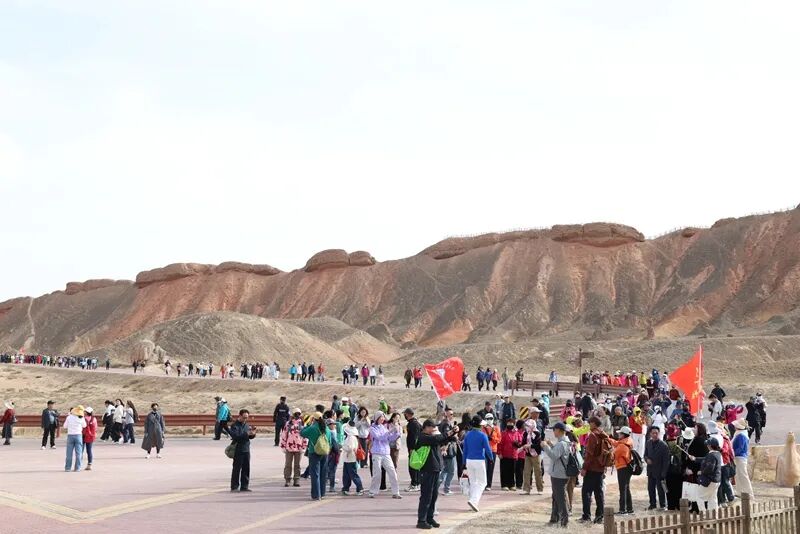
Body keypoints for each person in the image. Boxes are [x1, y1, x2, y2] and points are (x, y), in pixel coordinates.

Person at [415, 418, 459, 529]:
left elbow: (441, 440)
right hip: (427, 470)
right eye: (432, 427)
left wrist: (452, 435)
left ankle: (429, 518)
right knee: (426, 496)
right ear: (426, 427)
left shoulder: (431, 437)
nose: (434, 429)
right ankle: (421, 520)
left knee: (433, 495)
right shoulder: (423, 437)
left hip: (435, 469)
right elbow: (437, 439)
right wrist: (450, 432)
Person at [541, 422, 571, 527]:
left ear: (558, 430)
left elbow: (554, 456)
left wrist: (545, 446)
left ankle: (564, 520)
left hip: (559, 474)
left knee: (560, 498)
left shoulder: (562, 443)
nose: (553, 432)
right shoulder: (564, 442)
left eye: (554, 429)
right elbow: (559, 454)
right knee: (556, 497)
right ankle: (554, 518)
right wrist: (551, 445)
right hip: (560, 473)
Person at [579, 416, 608, 524]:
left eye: (590, 423)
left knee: (586, 492)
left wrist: (584, 468)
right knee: (599, 492)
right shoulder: (602, 434)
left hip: (592, 468)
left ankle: (586, 516)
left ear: (594, 423)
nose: (588, 424)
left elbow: (589, 454)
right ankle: (599, 516)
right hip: (600, 467)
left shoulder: (593, 435)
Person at [367, 411, 402, 498]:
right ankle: (372, 491)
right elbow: (379, 437)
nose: (383, 419)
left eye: (383, 417)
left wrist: (397, 433)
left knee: (392, 472)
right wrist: (390, 431)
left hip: (386, 453)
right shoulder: (372, 428)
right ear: (376, 418)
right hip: (376, 453)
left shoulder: (383, 427)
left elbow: (390, 439)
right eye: (381, 417)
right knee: (377, 473)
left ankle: (396, 492)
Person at [462, 415, 493, 512]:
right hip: (479, 460)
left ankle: (472, 502)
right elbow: (488, 449)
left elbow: (465, 450)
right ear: (480, 425)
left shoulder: (467, 435)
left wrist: (463, 463)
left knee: (473, 482)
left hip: (469, 460)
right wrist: (491, 458)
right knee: (482, 482)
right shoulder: (483, 435)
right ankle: (473, 501)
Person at [300, 412, 333, 501]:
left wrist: (308, 424)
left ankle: (316, 494)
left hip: (314, 452)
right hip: (325, 452)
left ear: (313, 419)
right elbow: (330, 441)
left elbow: (302, 433)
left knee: (315, 474)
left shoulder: (312, 428)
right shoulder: (326, 428)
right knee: (323, 473)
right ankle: (322, 493)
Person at [684, 438, 723, 510]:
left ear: (710, 446)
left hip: (710, 480)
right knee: (712, 498)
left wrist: (701, 472)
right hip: (716, 480)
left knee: (699, 496)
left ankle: (703, 513)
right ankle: (713, 514)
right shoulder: (717, 454)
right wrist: (695, 458)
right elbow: (705, 459)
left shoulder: (711, 455)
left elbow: (710, 468)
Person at [608, 426, 634, 515]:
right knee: (626, 488)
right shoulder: (627, 442)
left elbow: (613, 456)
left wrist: (610, 451)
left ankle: (623, 510)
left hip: (623, 468)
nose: (618, 434)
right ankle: (629, 509)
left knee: (623, 489)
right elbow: (616, 443)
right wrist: (608, 438)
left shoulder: (622, 446)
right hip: (626, 468)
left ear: (623, 435)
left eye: (620, 433)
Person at [229, 409, 257, 492]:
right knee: (236, 469)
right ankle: (234, 486)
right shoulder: (234, 425)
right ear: (240, 416)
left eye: (247, 417)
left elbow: (249, 437)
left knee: (246, 468)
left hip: (246, 449)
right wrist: (246, 434)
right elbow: (235, 436)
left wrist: (252, 434)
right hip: (238, 449)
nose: (245, 419)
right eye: (244, 417)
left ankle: (244, 486)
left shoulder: (246, 425)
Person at [644, 426, 669, 510]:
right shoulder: (648, 443)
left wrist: (663, 473)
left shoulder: (663, 445)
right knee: (650, 489)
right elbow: (645, 455)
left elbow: (666, 461)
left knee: (660, 489)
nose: (654, 435)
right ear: (650, 434)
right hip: (650, 470)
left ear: (659, 434)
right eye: (653, 433)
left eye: (656, 433)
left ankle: (663, 505)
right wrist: (647, 459)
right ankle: (652, 504)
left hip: (659, 471)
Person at [280, 408, 307, 487]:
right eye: (295, 413)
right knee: (288, 464)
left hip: (299, 447)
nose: (297, 415)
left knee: (297, 465)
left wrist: (304, 446)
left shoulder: (302, 424)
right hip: (289, 447)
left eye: (298, 413)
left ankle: (296, 479)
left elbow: (305, 436)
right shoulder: (288, 423)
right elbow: (284, 434)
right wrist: (283, 446)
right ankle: (287, 479)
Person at [520, 413, 544, 495]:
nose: (526, 427)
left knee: (538, 472)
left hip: (536, 455)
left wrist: (530, 446)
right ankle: (527, 489)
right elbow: (523, 443)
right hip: (528, 455)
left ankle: (540, 489)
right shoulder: (525, 433)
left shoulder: (537, 433)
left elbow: (538, 445)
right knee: (526, 472)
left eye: (528, 425)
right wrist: (521, 446)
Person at [732, 418, 754, 498]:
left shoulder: (741, 435)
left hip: (740, 458)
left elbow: (740, 448)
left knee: (743, 475)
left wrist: (732, 454)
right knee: (738, 475)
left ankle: (749, 494)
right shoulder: (740, 433)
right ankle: (740, 492)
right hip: (739, 457)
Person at [341, 421, 365, 495]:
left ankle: (360, 488)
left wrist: (342, 446)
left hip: (351, 459)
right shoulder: (352, 436)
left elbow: (350, 448)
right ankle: (345, 488)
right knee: (347, 475)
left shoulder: (351, 437)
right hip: (348, 459)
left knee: (353, 475)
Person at [438, 408, 457, 495]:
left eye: (452, 414)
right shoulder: (446, 424)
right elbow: (446, 436)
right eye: (450, 414)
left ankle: (437, 487)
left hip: (445, 449)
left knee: (445, 470)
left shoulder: (444, 423)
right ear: (446, 415)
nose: (452, 416)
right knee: (451, 471)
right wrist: (454, 434)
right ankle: (446, 489)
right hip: (448, 450)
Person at [63, 406, 87, 471]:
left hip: (70, 435)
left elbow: (65, 426)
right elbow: (84, 425)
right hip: (78, 435)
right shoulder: (81, 418)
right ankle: (77, 468)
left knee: (69, 453)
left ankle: (68, 468)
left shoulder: (69, 417)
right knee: (79, 453)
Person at [482, 413, 501, 491]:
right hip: (484, 450)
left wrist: (492, 438)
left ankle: (488, 484)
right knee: (483, 467)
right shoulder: (483, 428)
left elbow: (499, 439)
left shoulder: (496, 428)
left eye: (491, 418)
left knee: (491, 467)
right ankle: (483, 483)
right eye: (488, 419)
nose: (489, 420)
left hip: (493, 450)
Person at [404, 408, 422, 492]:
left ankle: (415, 484)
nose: (404, 415)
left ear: (408, 414)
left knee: (413, 467)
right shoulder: (414, 423)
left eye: (405, 414)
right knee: (415, 466)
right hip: (414, 449)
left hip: (414, 449)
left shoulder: (413, 424)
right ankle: (416, 483)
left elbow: (415, 437)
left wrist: (413, 448)